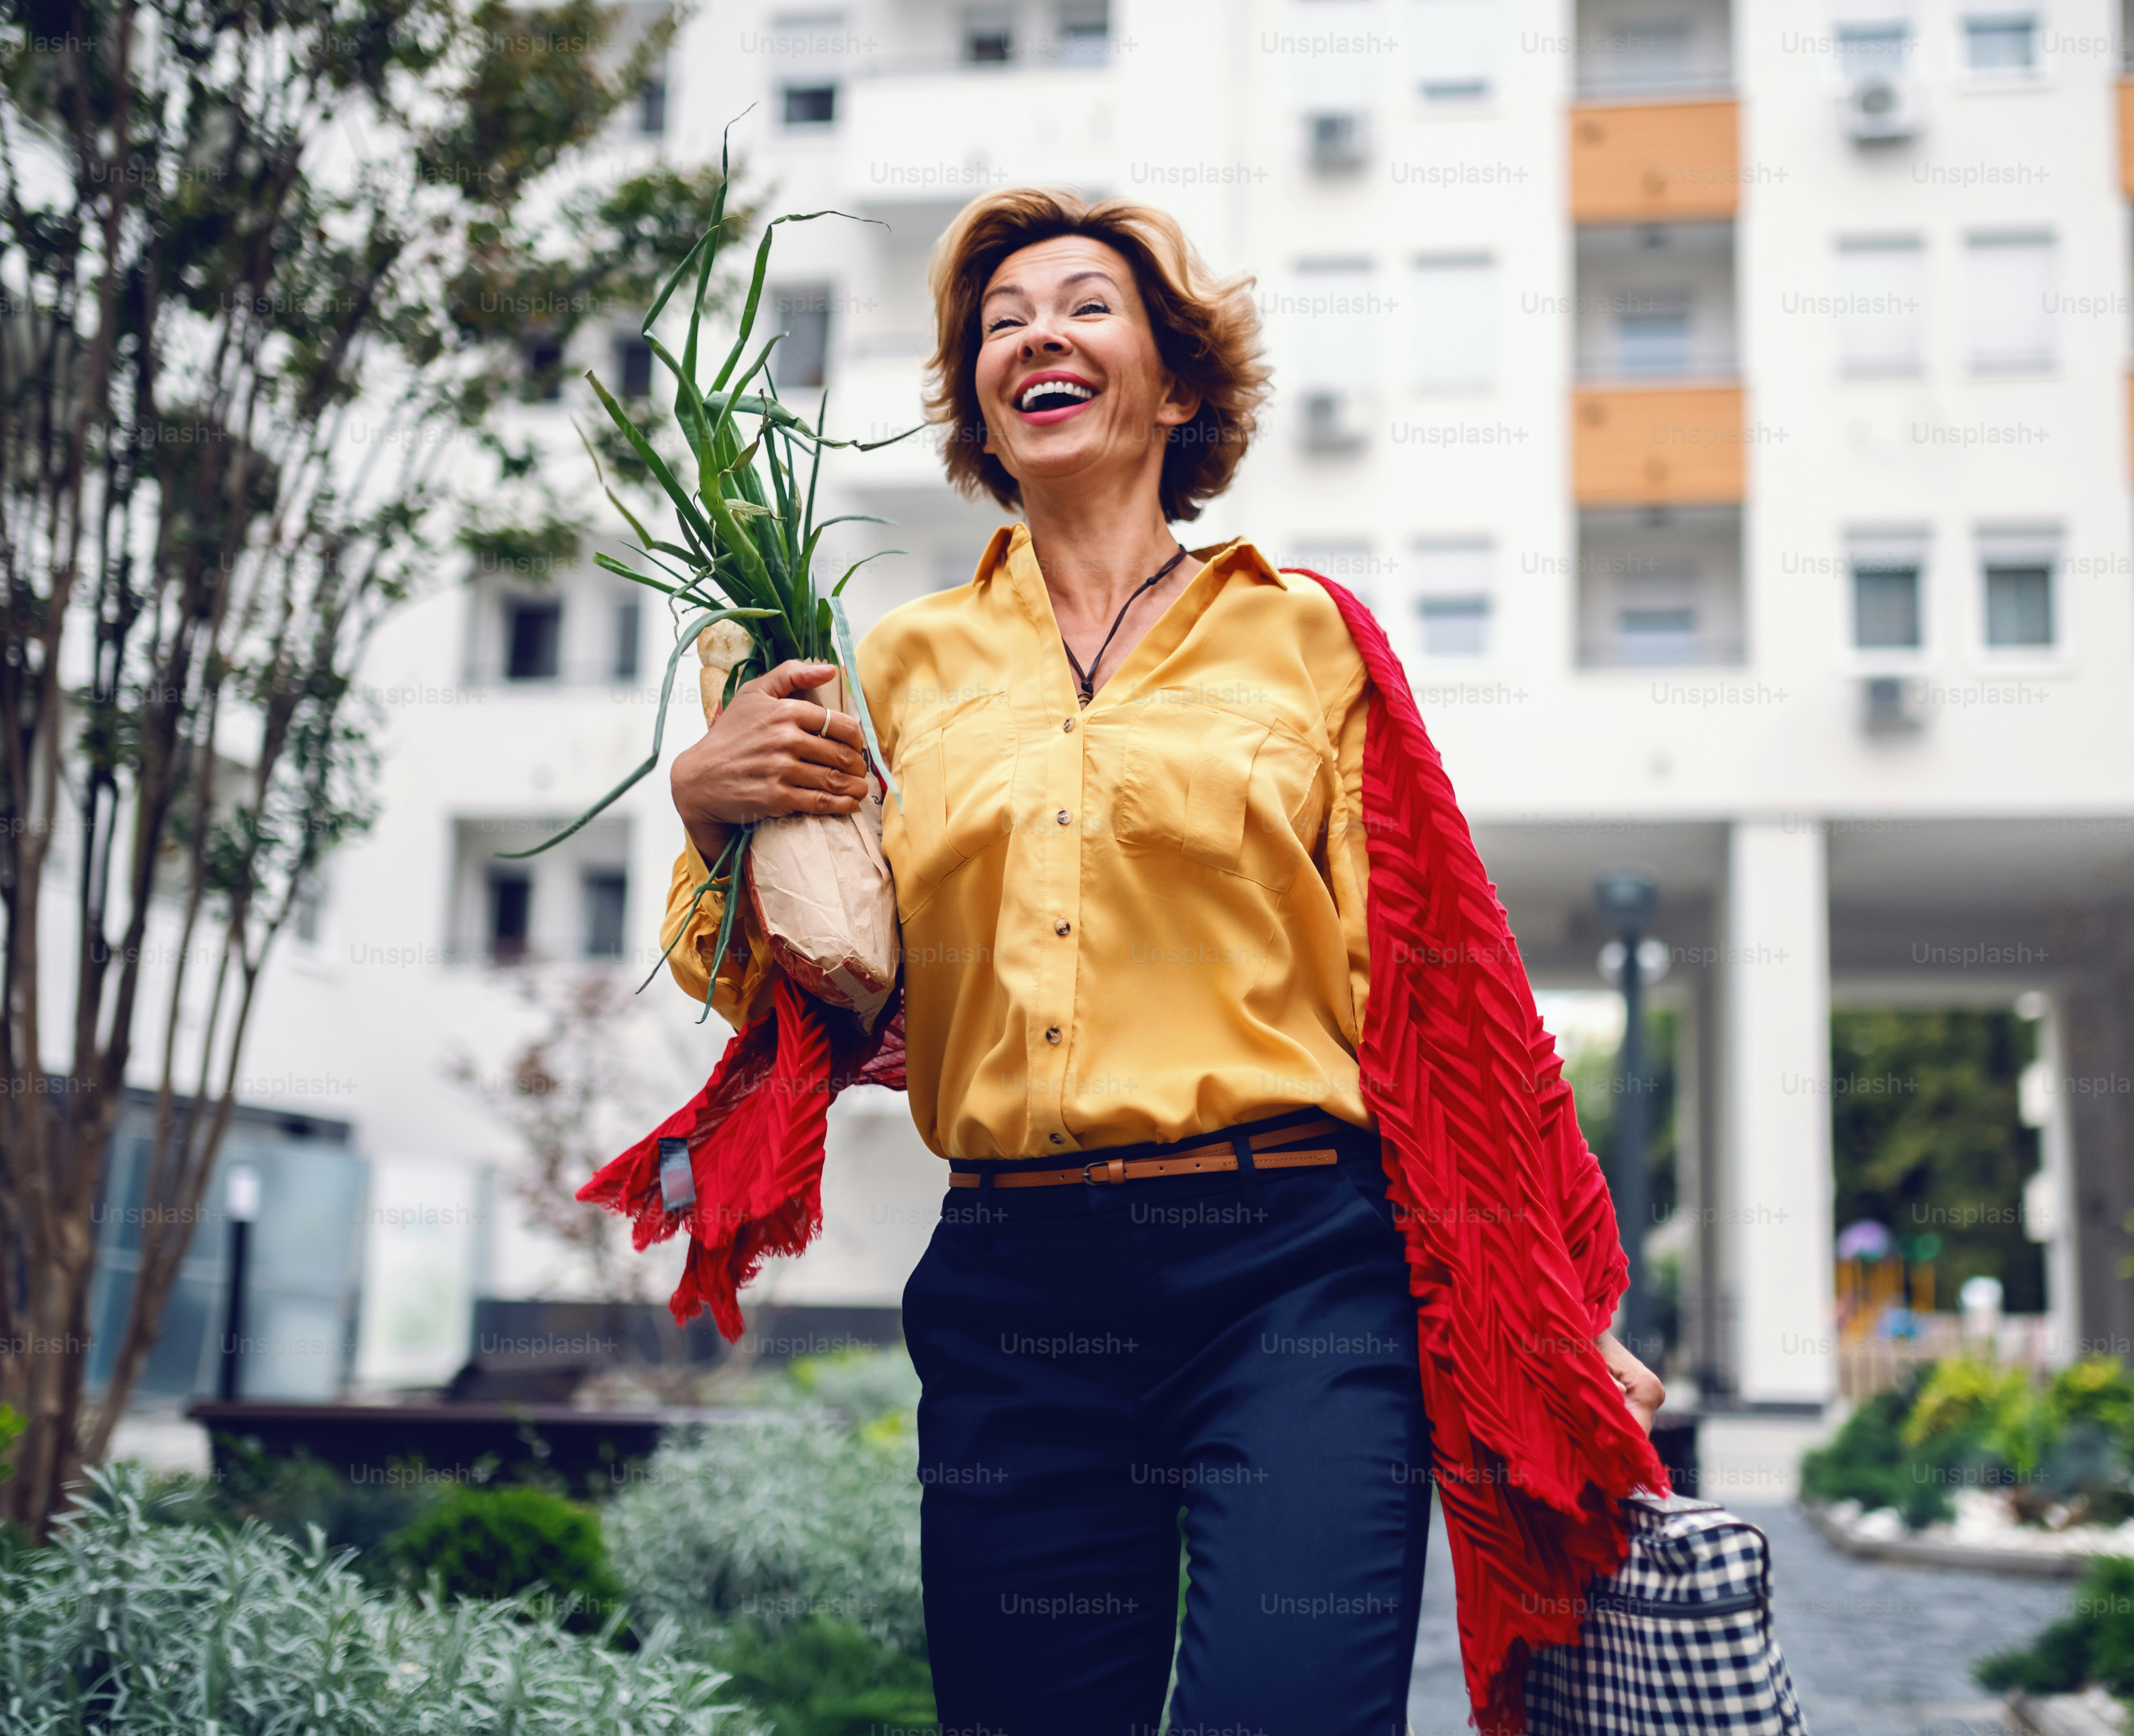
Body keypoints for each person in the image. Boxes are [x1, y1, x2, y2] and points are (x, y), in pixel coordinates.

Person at [659, 188, 1665, 1736]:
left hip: (1294, 1277)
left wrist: (1547, 1298)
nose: (1037, 335)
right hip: (1017, 1286)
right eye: (1001, 323)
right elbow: (805, 985)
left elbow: (1435, 990)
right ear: (982, 408)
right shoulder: (900, 667)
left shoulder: (1305, 638)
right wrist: (713, 813)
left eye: (1083, 306)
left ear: (1177, 383)